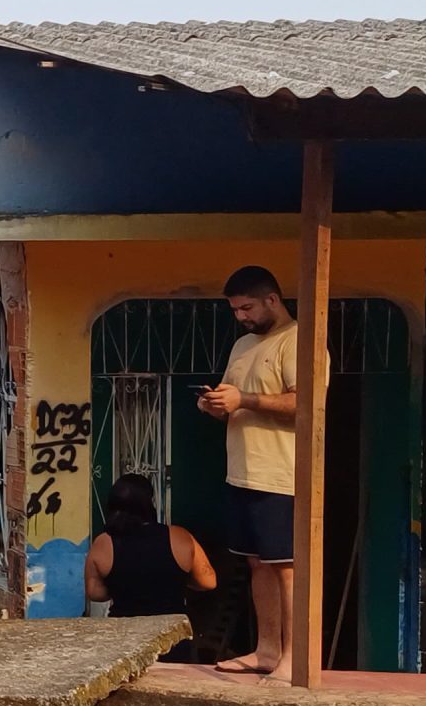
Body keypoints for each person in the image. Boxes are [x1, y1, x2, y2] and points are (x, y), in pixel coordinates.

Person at [198, 265, 313, 677]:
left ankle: (294, 659)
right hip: (242, 472)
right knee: (257, 564)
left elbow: (305, 404)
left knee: (287, 567)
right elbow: (234, 399)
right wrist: (215, 404)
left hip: (281, 475)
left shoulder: (298, 340)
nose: (241, 316)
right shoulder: (243, 345)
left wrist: (244, 399)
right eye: (235, 310)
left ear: (272, 299)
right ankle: (266, 650)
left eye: (247, 308)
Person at [85, 475, 217, 655]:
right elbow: (208, 582)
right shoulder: (180, 536)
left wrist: (122, 585)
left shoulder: (103, 543)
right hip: (172, 640)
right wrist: (175, 581)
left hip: (123, 640)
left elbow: (95, 593)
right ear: (149, 503)